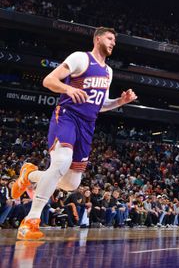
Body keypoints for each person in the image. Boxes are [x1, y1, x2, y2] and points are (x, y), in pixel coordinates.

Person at [11, 27, 137, 240]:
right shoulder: (80, 58)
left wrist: (119, 102)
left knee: (71, 184)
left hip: (88, 125)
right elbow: (48, 80)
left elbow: (100, 104)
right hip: (68, 116)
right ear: (97, 39)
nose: (113, 43)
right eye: (109, 38)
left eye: (114, 40)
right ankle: (31, 220)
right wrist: (68, 89)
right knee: (61, 162)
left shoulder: (108, 72)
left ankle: (29, 175)